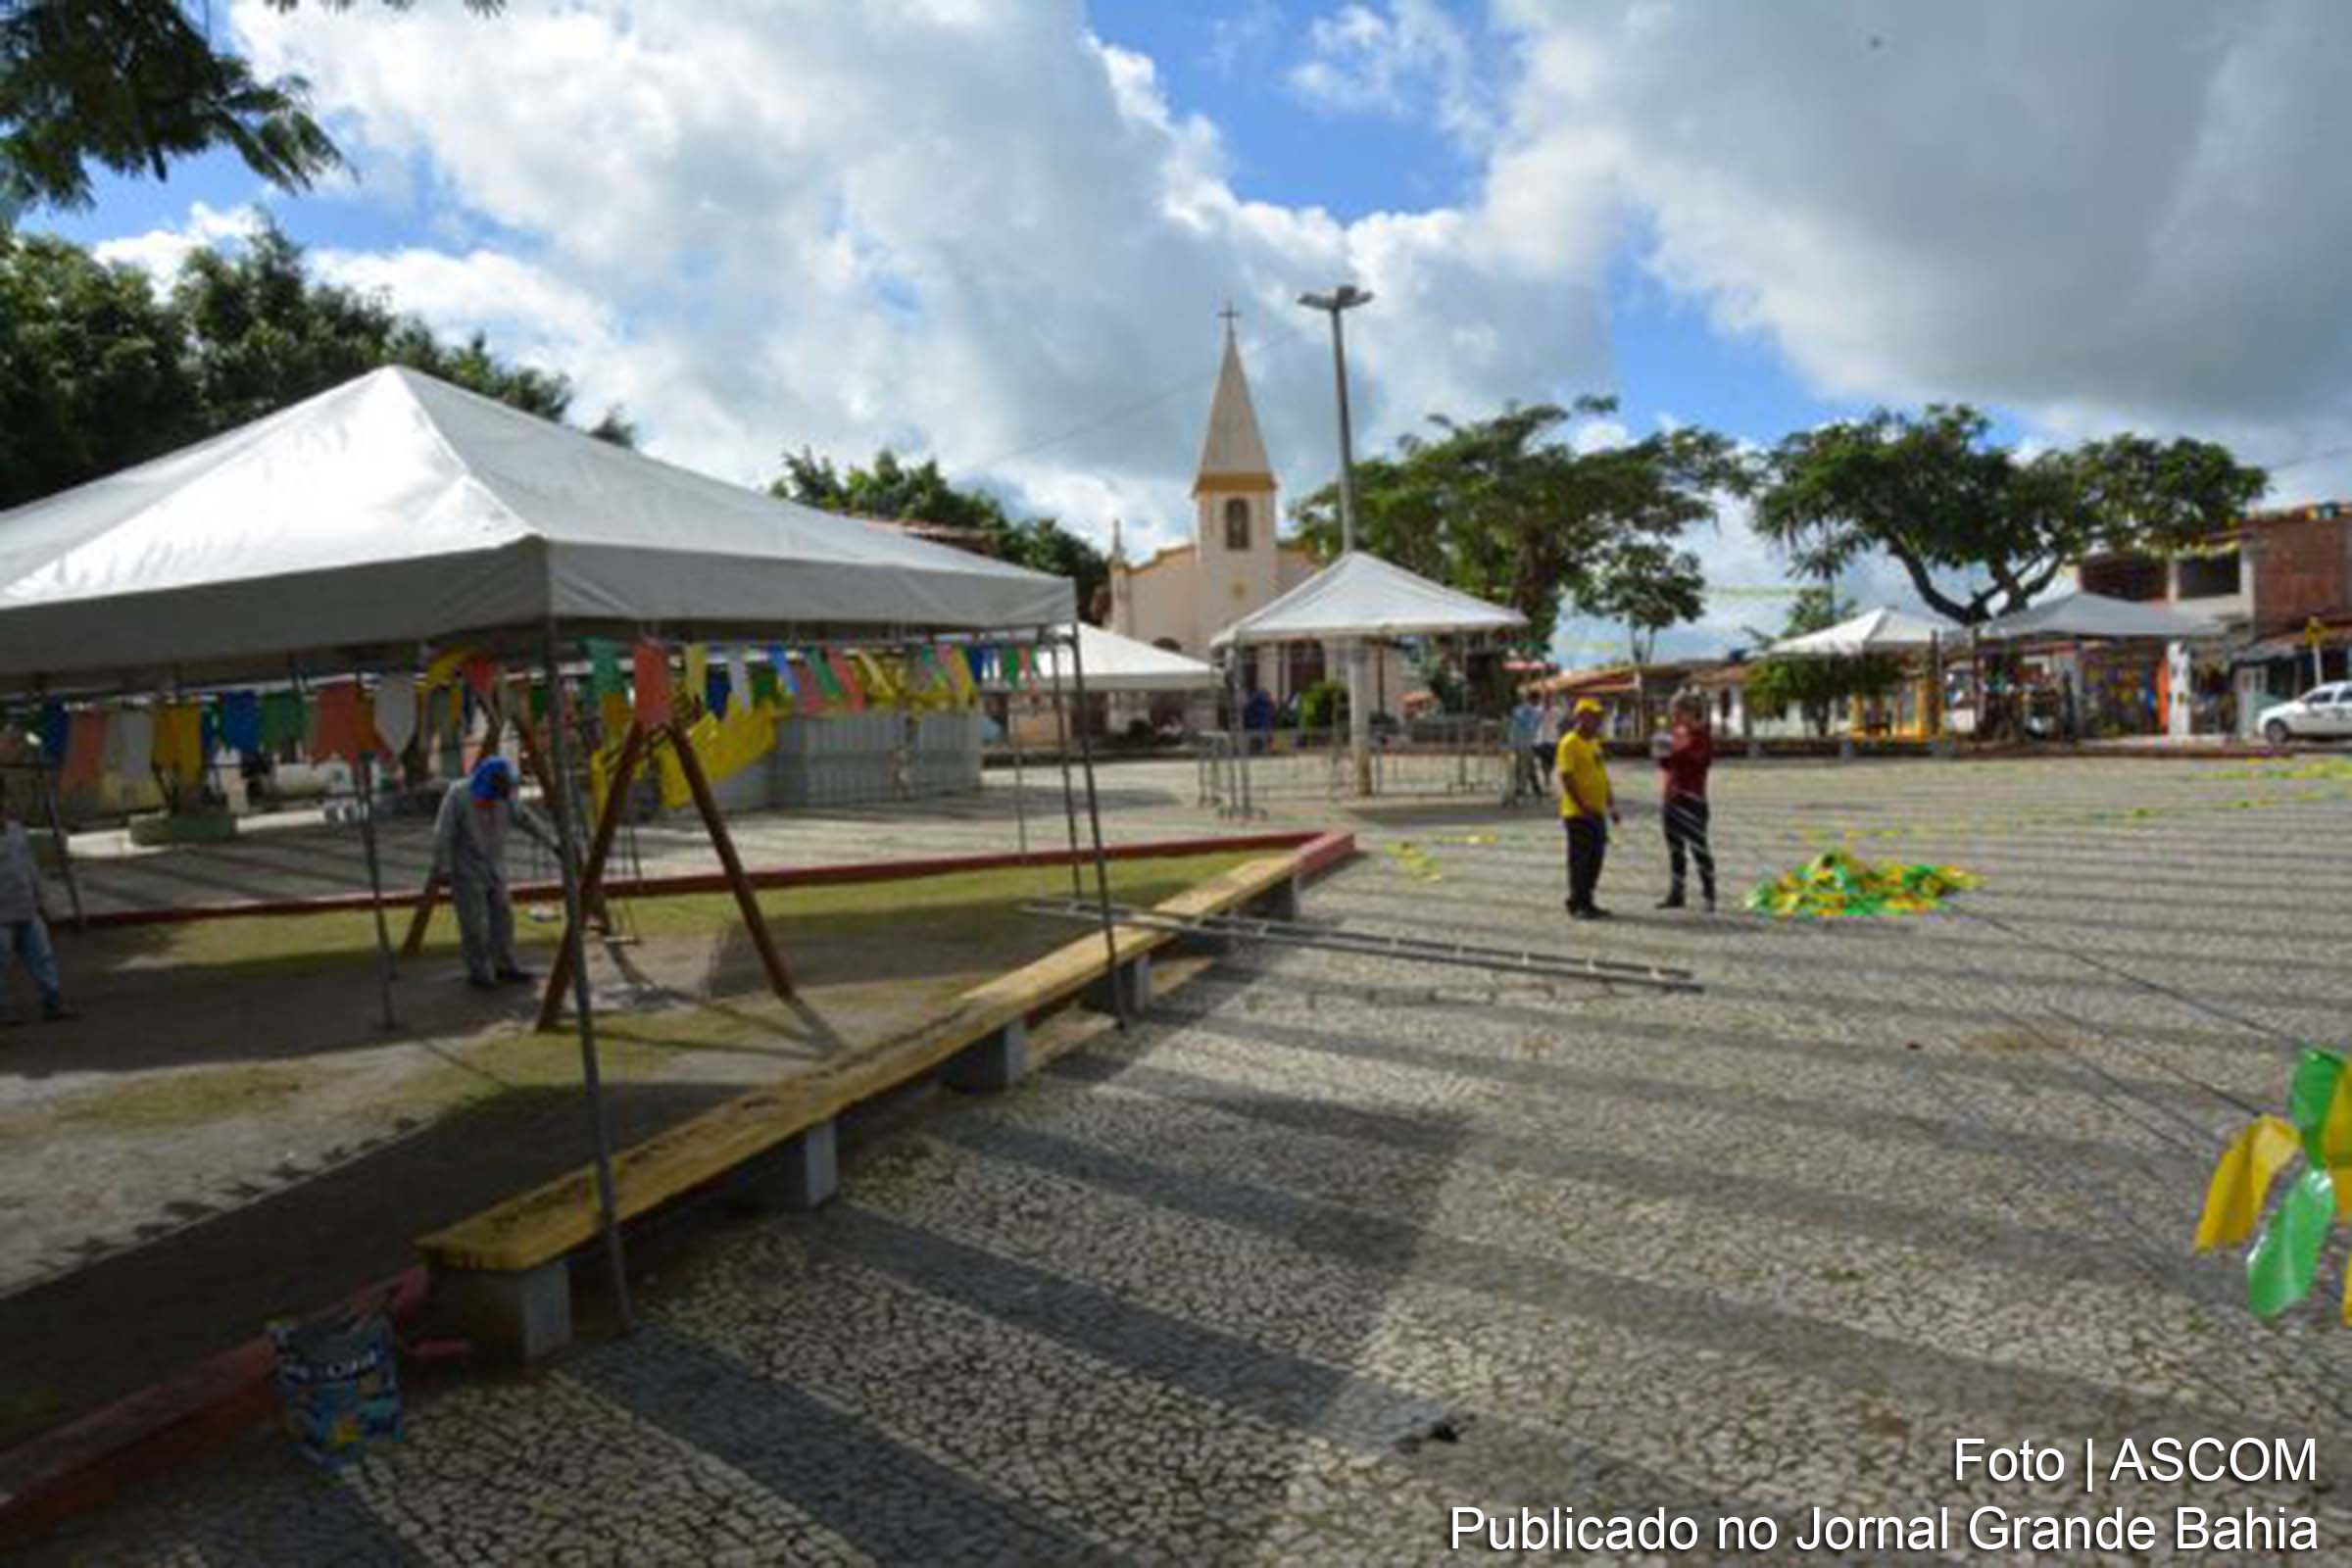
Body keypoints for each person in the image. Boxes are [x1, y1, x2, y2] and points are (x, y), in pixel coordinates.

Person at [432, 756, 556, 990]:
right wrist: (445, 868)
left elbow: (527, 820)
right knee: (474, 924)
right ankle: (479, 972)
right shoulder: (458, 794)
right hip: (466, 869)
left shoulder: (506, 797)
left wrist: (553, 843)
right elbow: (443, 833)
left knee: (503, 917)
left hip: (495, 866)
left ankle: (504, 965)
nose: (494, 798)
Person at [0, 793, 74, 1023]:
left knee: (42, 957)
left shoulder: (16, 832)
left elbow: (30, 869)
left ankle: (53, 1001)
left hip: (26, 907)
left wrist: (41, 901)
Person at [1555, 698, 1620, 919]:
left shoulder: (1593, 742)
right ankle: (1578, 902)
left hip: (1598, 810)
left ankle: (1586, 899)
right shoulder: (1569, 743)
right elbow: (1566, 777)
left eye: (1599, 717)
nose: (1598, 721)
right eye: (1593, 716)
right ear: (1581, 717)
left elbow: (1602, 774)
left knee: (1596, 858)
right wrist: (1582, 805)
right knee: (1581, 860)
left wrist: (1611, 804)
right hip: (1578, 813)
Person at [1657, 693, 1717, 911]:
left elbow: (1699, 761)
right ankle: (1676, 893)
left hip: (1692, 799)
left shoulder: (1701, 735)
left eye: (1678, 711)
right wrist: (1663, 752)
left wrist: (1675, 751)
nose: (1675, 716)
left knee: (1699, 848)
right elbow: (1666, 764)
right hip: (1671, 797)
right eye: (1673, 711)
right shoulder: (1673, 734)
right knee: (1675, 849)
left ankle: (1709, 894)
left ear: (1691, 712)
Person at [1505, 692, 1543, 804]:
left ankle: (1534, 790)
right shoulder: (1533, 712)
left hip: (1516, 743)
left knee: (1522, 767)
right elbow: (1530, 726)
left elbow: (1516, 725)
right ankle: (1521, 791)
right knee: (1524, 768)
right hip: (1524, 744)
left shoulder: (1518, 710)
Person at [1533, 696, 1562, 799]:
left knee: (1551, 762)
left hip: (1552, 739)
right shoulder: (1537, 710)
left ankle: (1547, 779)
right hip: (1540, 740)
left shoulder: (1557, 711)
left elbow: (1559, 723)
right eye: (1545, 700)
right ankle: (1546, 781)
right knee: (1543, 761)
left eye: (1549, 699)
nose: (1547, 702)